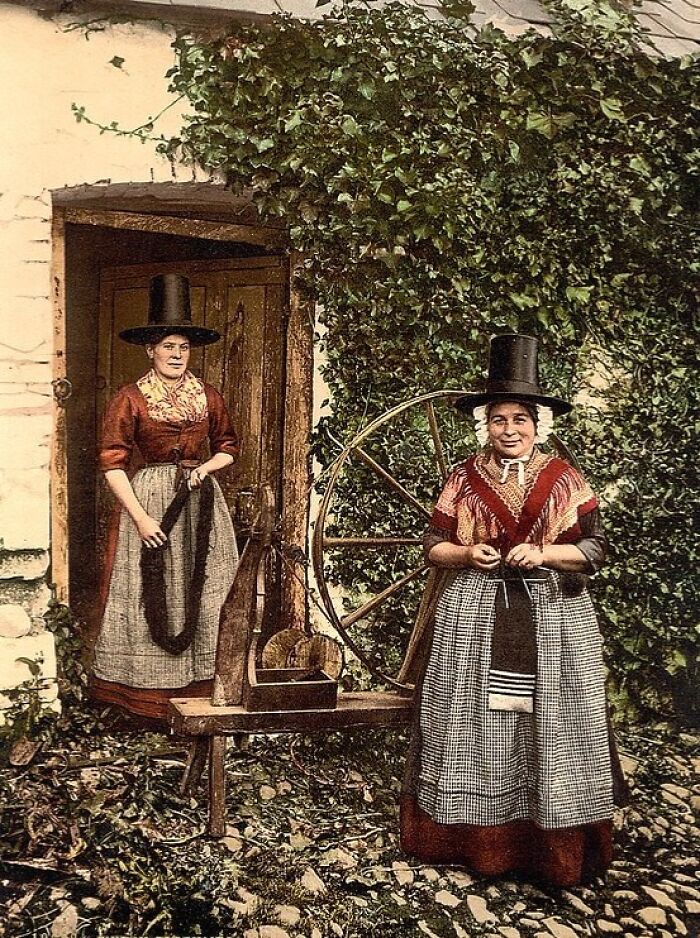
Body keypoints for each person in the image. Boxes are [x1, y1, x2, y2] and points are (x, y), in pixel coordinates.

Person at [401, 334, 627, 887]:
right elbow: (432, 545)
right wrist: (465, 552)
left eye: (520, 419)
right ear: (485, 424)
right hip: (474, 617)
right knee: (473, 725)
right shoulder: (462, 477)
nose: (509, 430)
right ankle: (476, 843)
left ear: (538, 423)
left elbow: (595, 550)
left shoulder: (565, 479)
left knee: (551, 723)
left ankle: (551, 847)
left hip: (552, 618)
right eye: (498, 419)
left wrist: (545, 551)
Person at [90, 273, 239, 723]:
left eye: (183, 347)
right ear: (150, 351)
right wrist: (139, 519)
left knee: (206, 587)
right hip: (151, 499)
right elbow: (113, 463)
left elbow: (229, 448)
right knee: (152, 591)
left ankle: (204, 692)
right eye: (167, 346)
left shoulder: (207, 395)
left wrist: (206, 469)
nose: (176, 355)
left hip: (201, 502)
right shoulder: (130, 398)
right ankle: (147, 702)